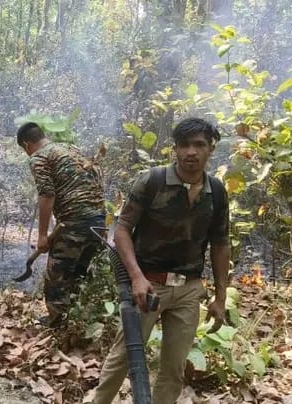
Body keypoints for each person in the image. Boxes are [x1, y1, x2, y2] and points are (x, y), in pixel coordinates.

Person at [92, 118, 230, 403]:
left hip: (189, 290)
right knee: (124, 356)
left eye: (199, 145)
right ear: (175, 149)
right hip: (149, 286)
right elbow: (121, 230)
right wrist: (136, 277)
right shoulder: (152, 181)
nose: (191, 152)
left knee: (174, 369)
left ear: (210, 149)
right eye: (184, 145)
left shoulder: (216, 191)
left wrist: (220, 297)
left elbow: (220, 244)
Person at [17, 122, 106, 328]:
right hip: (100, 221)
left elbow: (47, 194)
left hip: (75, 222)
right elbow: (97, 173)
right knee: (82, 272)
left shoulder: (39, 157)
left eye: (24, 150)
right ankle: (82, 320)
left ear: (27, 144)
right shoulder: (70, 149)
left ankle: (57, 323)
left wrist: (42, 236)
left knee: (57, 275)